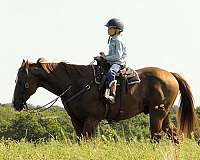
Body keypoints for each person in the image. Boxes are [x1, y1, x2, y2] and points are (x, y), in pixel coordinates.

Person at [99, 18, 127, 104]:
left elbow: (117, 56)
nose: (108, 30)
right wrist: (104, 56)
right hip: (112, 61)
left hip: (118, 63)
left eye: (110, 28)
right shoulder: (113, 39)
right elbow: (112, 55)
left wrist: (106, 58)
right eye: (108, 28)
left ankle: (112, 94)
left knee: (111, 73)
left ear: (117, 30)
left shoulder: (118, 40)